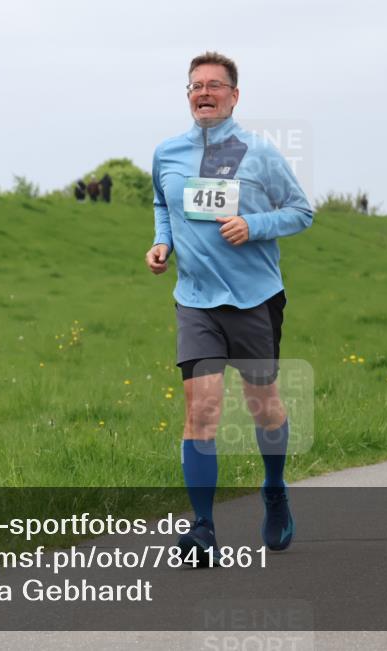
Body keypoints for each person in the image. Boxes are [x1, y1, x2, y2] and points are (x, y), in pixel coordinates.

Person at [145, 52, 313, 565]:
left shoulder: (260, 154)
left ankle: (275, 489)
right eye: (196, 85)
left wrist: (254, 226)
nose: (204, 92)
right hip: (195, 300)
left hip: (253, 299)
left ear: (234, 96)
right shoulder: (167, 152)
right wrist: (162, 243)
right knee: (202, 410)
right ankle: (202, 528)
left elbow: (301, 211)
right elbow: (162, 203)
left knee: (265, 407)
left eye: (215, 85)